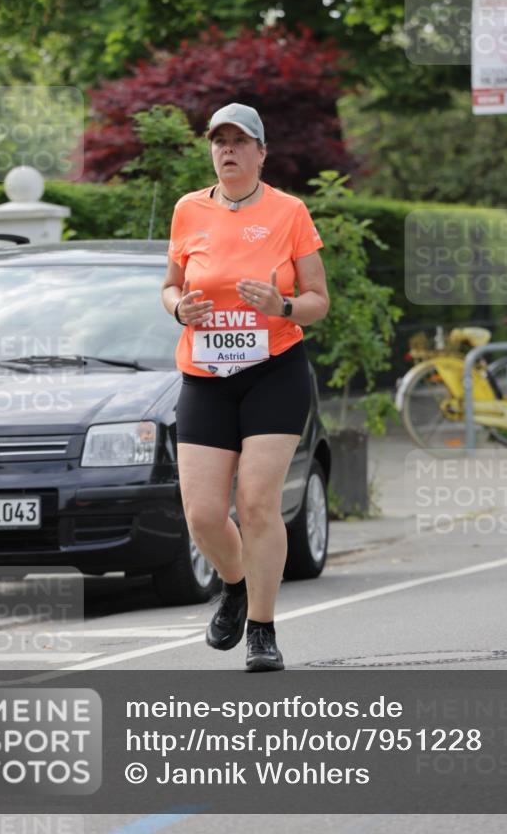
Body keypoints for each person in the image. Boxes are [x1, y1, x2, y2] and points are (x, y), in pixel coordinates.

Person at [161, 102, 330, 671]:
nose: (228, 150)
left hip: (274, 371)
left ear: (261, 151)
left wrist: (282, 303)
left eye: (240, 140)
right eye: (219, 141)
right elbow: (169, 286)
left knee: (256, 503)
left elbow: (317, 302)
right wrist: (179, 308)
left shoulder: (289, 212)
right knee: (203, 514)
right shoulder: (188, 210)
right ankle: (235, 586)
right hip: (205, 375)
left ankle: (262, 629)